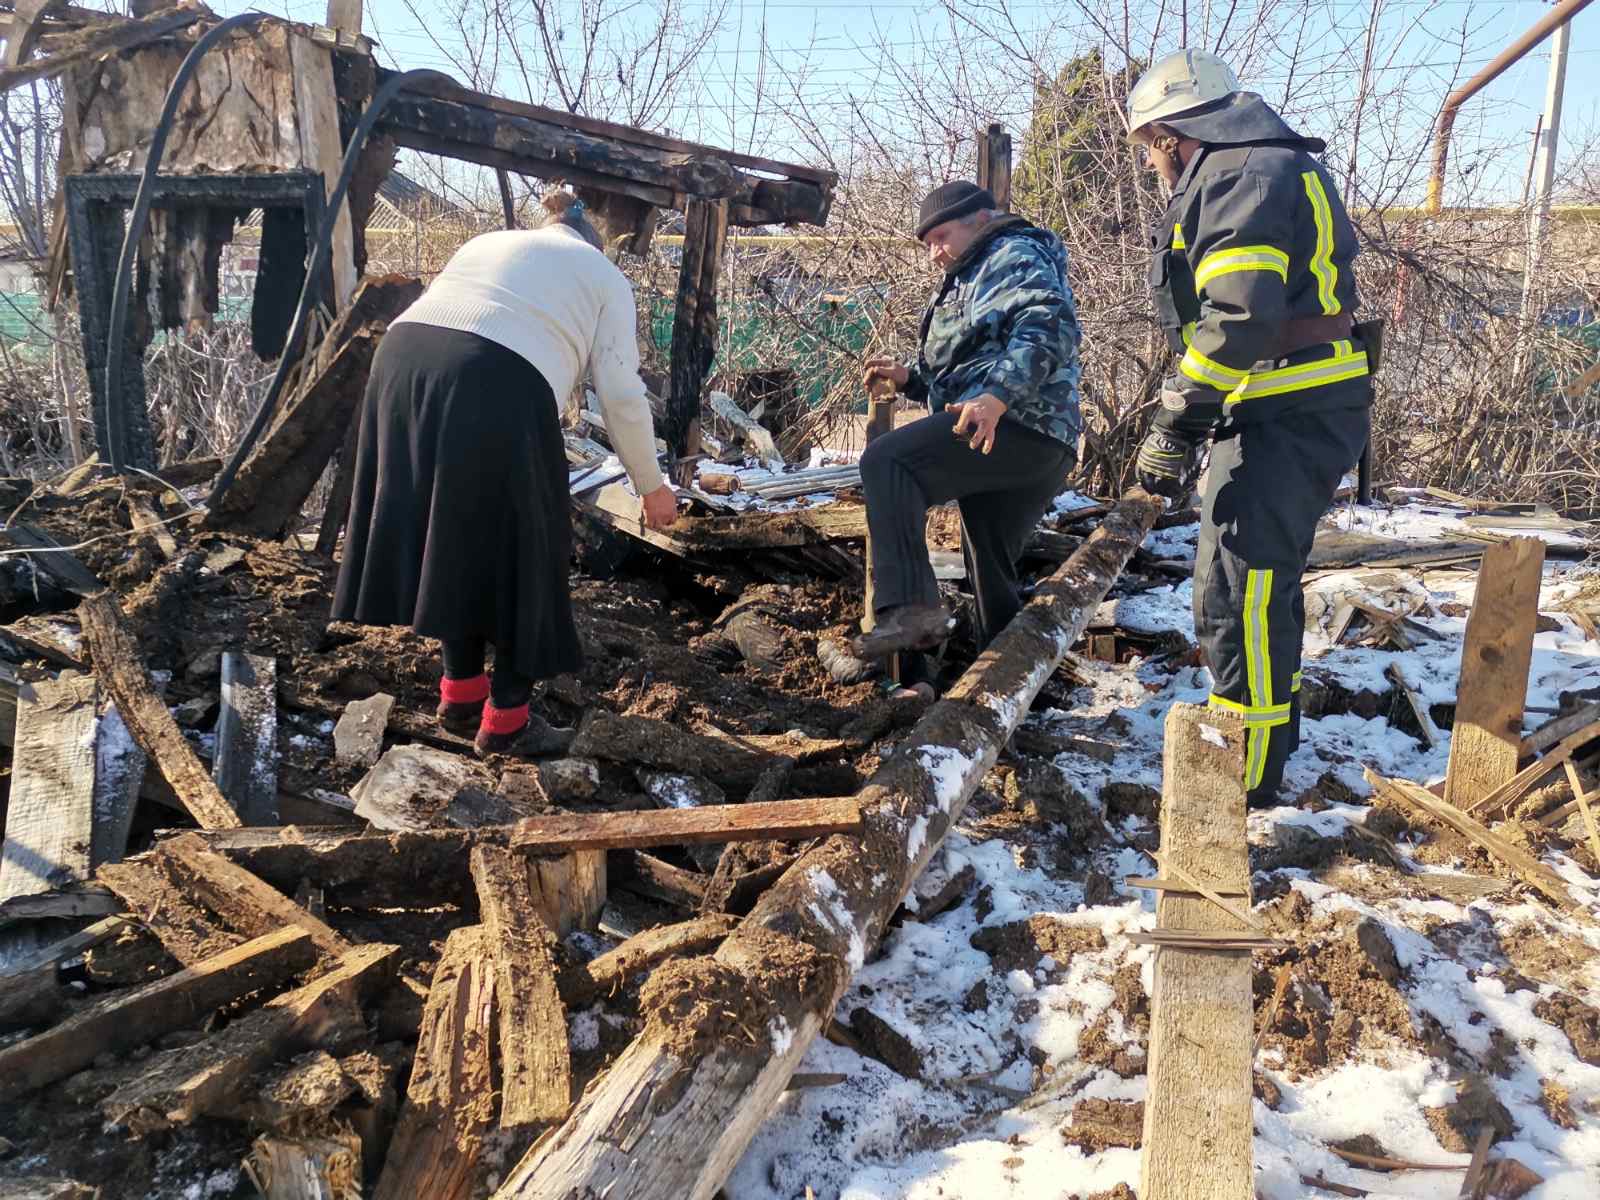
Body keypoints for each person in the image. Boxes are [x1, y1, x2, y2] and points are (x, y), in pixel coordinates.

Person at [332, 192, 677, 756]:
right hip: (493, 377)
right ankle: (508, 718)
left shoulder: (489, 241)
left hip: (401, 363)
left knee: (451, 530)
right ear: (600, 238)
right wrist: (651, 486)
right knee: (528, 546)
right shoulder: (605, 276)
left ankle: (461, 693)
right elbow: (620, 392)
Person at [1127, 49, 1377, 805]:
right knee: (1241, 582)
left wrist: (1179, 416)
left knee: (1246, 586)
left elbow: (1237, 320)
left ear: (1174, 133)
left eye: (1149, 148)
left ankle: (1250, 767)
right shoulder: (1260, 167)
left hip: (1288, 407)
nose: (1150, 167)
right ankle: (1258, 731)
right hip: (1285, 405)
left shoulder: (1240, 174)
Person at [854, 182, 1082, 693]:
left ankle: (912, 609)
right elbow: (969, 367)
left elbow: (1049, 326)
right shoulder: (974, 273)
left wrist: (998, 397)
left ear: (980, 219)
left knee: (889, 463)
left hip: (1020, 424)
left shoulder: (1009, 253)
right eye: (927, 243)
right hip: (1034, 434)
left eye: (942, 236)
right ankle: (1009, 687)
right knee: (988, 559)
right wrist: (913, 380)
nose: (935, 251)